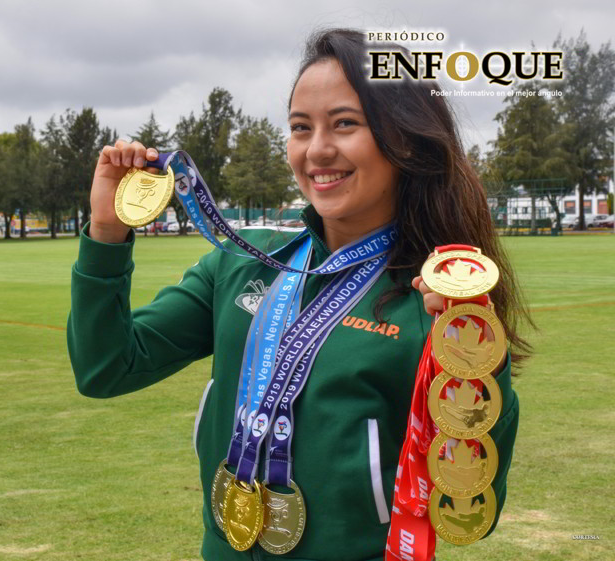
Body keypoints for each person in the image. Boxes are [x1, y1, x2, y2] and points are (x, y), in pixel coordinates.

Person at [67, 28, 531, 561]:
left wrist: (473, 349)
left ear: (403, 138)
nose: (317, 151)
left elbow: (469, 505)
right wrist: (106, 232)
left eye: (345, 125)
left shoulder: (435, 300)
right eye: (300, 128)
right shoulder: (240, 262)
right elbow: (106, 369)